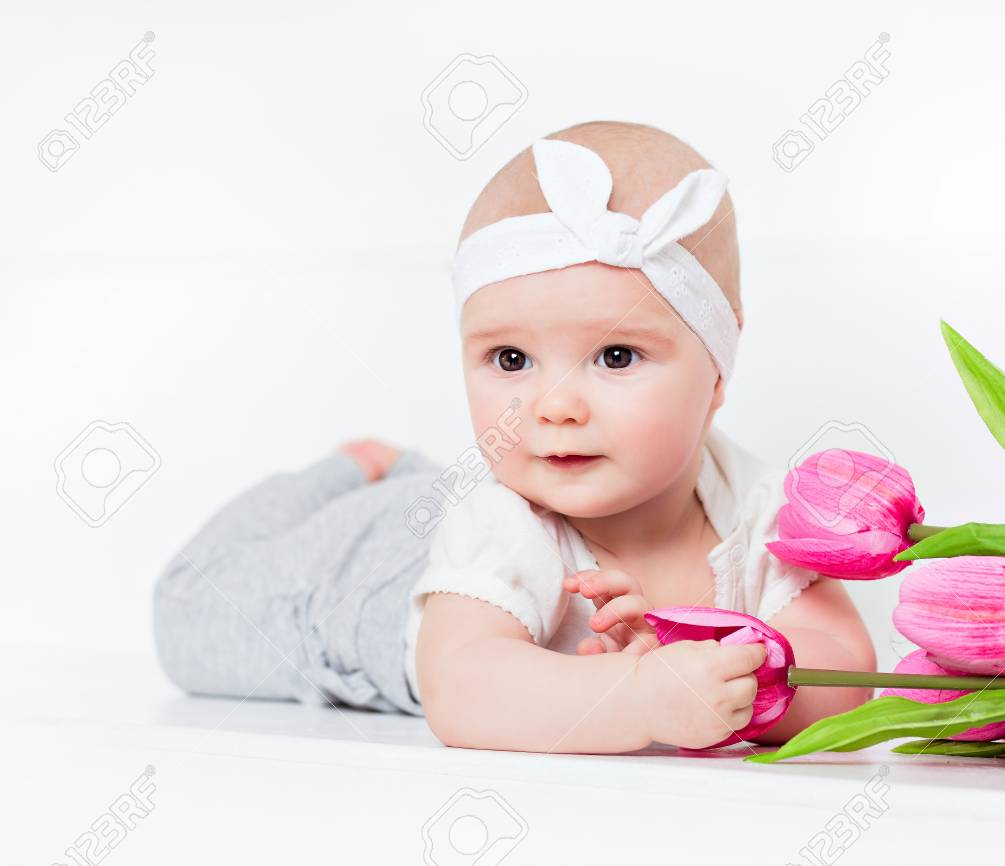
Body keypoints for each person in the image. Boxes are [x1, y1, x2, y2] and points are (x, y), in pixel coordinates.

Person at [153, 120, 876, 755]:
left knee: (430, 497)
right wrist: (637, 696)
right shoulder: (501, 523)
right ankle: (351, 470)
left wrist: (732, 689)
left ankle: (403, 474)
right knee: (190, 611)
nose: (555, 406)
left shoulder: (751, 507)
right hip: (350, 582)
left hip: (438, 518)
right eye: (511, 360)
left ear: (718, 367)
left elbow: (843, 663)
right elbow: (462, 688)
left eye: (616, 356)